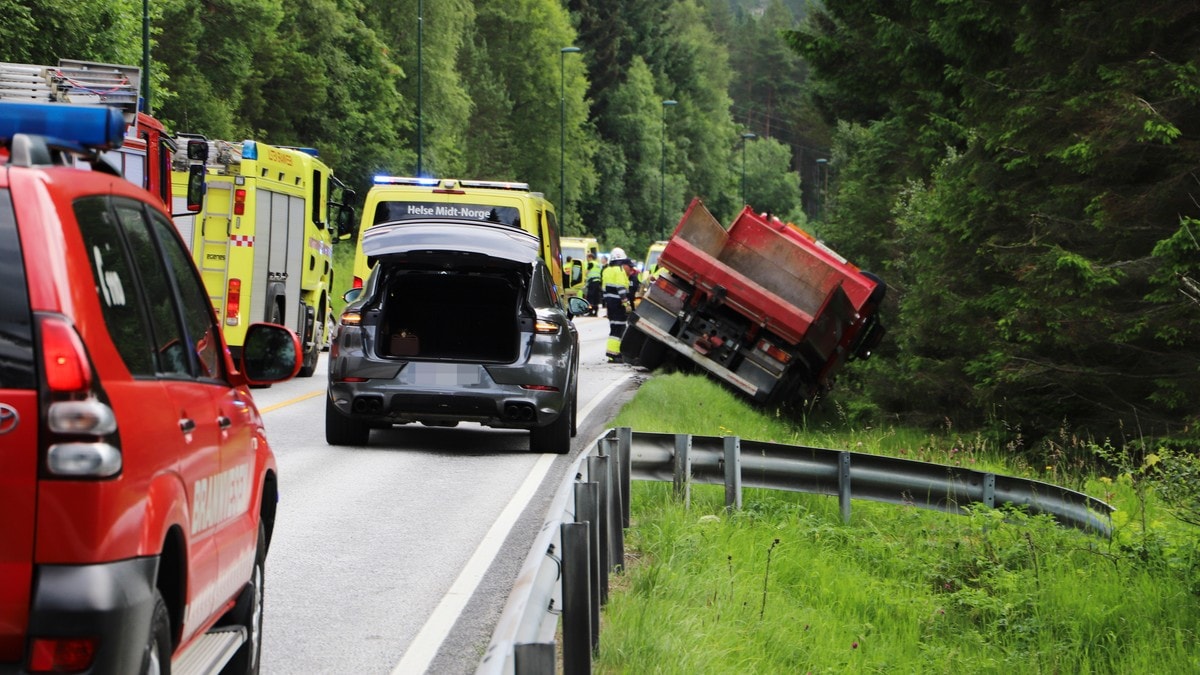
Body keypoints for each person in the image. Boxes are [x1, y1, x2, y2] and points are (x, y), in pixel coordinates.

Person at [602, 248, 636, 362]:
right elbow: (621, 289)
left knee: (614, 328)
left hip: (610, 305)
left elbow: (604, 290)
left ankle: (612, 353)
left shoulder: (606, 270)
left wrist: (607, 304)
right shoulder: (619, 270)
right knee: (620, 328)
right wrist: (626, 304)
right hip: (618, 305)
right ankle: (616, 354)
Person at [585, 252, 602, 316]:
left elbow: (586, 272)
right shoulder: (597, 264)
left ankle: (590, 311)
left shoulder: (591, 263)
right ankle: (596, 312)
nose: (587, 259)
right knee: (596, 297)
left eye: (587, 258)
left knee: (590, 297)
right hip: (597, 282)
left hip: (592, 282)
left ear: (590, 257)